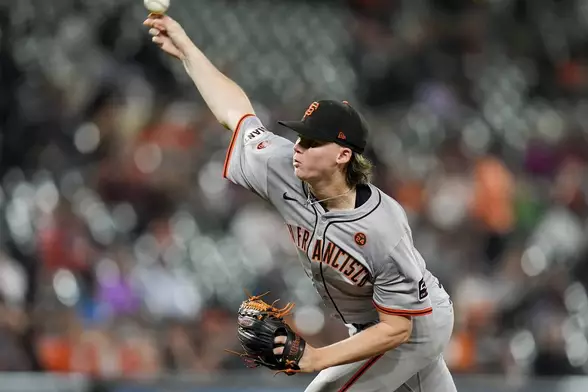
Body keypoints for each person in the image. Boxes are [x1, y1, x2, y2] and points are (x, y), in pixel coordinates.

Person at [143, 14, 456, 392]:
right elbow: (236, 114)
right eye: (299, 138)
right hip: (370, 329)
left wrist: (316, 358)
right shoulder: (279, 165)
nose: (298, 148)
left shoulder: (382, 227)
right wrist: (188, 52)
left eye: (311, 143)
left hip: (413, 328)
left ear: (343, 156)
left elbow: (397, 328)